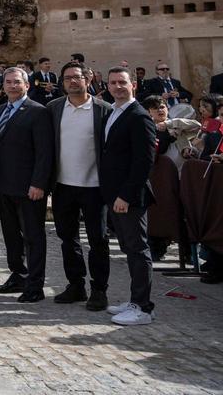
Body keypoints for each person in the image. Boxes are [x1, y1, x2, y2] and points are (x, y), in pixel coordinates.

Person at [48, 61, 113, 311]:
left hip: (95, 187)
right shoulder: (54, 108)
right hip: (63, 186)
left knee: (98, 240)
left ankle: (99, 289)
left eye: (77, 77)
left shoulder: (103, 110)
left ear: (87, 79)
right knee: (68, 239)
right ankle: (76, 285)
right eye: (67, 78)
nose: (72, 82)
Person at [99, 67, 158, 326]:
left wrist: (125, 195)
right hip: (114, 195)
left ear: (133, 84)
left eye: (122, 82)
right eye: (113, 83)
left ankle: (143, 307)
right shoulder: (113, 112)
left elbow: (143, 162)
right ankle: (135, 300)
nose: (117, 87)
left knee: (138, 250)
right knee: (129, 249)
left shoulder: (139, 116)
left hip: (129, 196)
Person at [0, 67, 54, 303]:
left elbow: (44, 152)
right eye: (8, 82)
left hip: (30, 188)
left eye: (17, 82)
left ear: (27, 85)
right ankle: (18, 275)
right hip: (4, 184)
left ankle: (35, 284)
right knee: (11, 235)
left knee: (33, 236)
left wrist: (39, 183)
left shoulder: (38, 112)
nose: (12, 86)